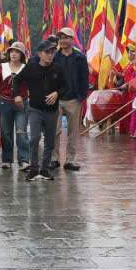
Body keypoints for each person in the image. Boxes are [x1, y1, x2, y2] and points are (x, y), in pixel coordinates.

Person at [15, 39, 66, 182]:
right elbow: (17, 80)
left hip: (52, 111)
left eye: (52, 52)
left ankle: (44, 169)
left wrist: (57, 93)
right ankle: (33, 169)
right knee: (34, 138)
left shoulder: (58, 68)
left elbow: (64, 86)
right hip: (35, 109)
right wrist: (17, 95)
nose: (50, 55)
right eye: (47, 52)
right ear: (39, 53)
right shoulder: (31, 67)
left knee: (50, 141)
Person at [0, 41, 31, 171]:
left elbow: (31, 87)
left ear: (22, 55)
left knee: (21, 131)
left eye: (17, 52)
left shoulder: (26, 68)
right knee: (6, 133)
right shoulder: (2, 67)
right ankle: (6, 159)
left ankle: (24, 159)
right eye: (12, 51)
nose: (14, 54)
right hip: (4, 102)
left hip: (22, 104)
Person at [52, 28, 89, 170]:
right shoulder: (55, 57)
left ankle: (70, 160)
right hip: (57, 99)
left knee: (73, 132)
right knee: (55, 130)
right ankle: (54, 158)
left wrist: (81, 96)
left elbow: (84, 78)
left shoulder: (80, 58)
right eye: (60, 38)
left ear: (72, 40)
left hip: (74, 99)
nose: (62, 40)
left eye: (66, 37)